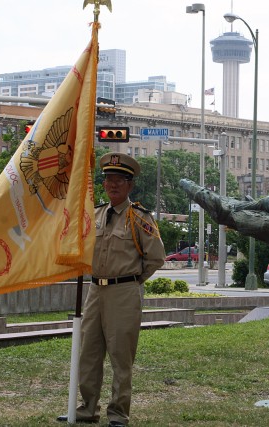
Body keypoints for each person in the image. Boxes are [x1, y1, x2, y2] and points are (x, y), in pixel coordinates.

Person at [58, 152, 166, 426]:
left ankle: (118, 414)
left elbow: (156, 257)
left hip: (123, 292)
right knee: (89, 354)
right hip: (95, 291)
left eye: (119, 180)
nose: (113, 185)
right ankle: (86, 409)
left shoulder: (139, 218)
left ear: (130, 185)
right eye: (108, 180)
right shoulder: (93, 214)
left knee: (121, 356)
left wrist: (133, 281)